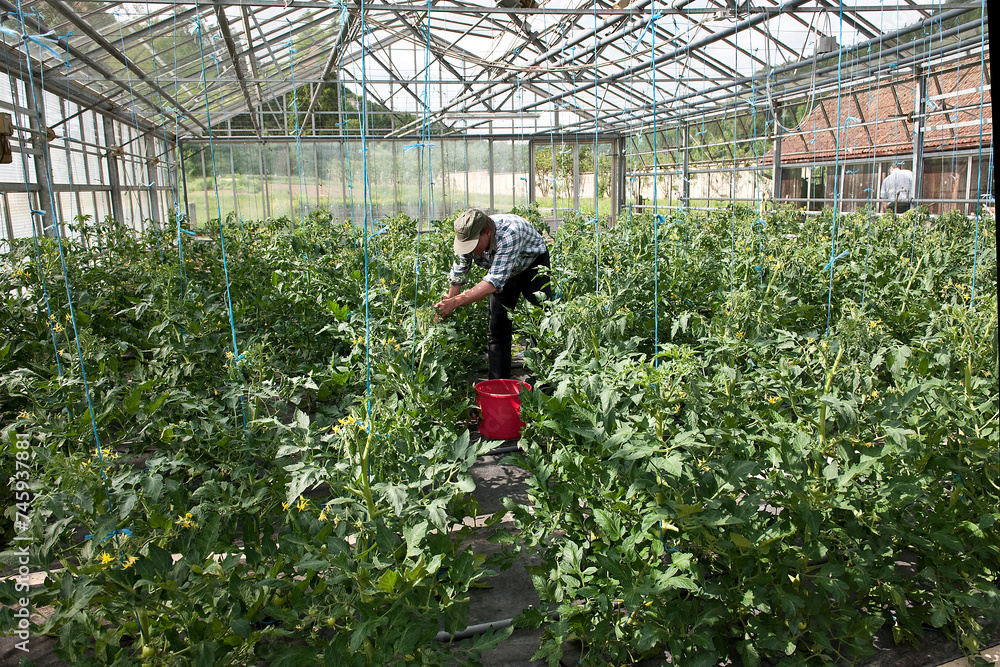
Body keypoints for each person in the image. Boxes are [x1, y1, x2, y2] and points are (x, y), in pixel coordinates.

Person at [435, 208, 550, 379]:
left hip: (531, 266)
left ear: (487, 233)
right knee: (497, 328)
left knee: (541, 324)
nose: (470, 250)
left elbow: (492, 283)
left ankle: (544, 383)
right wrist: (447, 304)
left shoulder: (510, 233)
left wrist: (456, 302)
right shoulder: (467, 234)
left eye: (473, 246)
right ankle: (498, 384)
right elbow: (459, 273)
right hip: (500, 270)